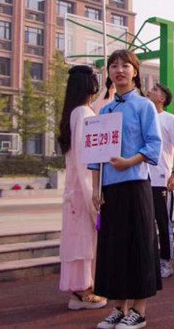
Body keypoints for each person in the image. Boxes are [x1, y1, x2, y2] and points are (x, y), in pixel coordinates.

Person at [90, 50, 163, 329]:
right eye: (113, 66)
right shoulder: (105, 110)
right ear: (108, 72)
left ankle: (139, 310)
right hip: (110, 189)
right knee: (113, 248)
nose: (119, 70)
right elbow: (95, 155)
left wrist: (128, 162)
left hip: (134, 184)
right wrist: (96, 189)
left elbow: (152, 145)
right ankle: (118, 307)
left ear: (135, 71)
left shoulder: (144, 106)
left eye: (125, 65)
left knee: (138, 246)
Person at [57, 65, 107, 311]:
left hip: (73, 192)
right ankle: (84, 291)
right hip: (82, 190)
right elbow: (84, 159)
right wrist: (93, 193)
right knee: (84, 242)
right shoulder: (83, 114)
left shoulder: (74, 112)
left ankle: (79, 291)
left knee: (78, 240)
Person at [146, 83, 174, 279]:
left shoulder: (170, 120)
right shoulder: (144, 116)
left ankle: (165, 262)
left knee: (163, 221)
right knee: (146, 222)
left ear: (162, 99)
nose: (150, 91)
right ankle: (149, 260)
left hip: (162, 178)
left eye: (155, 90)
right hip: (143, 178)